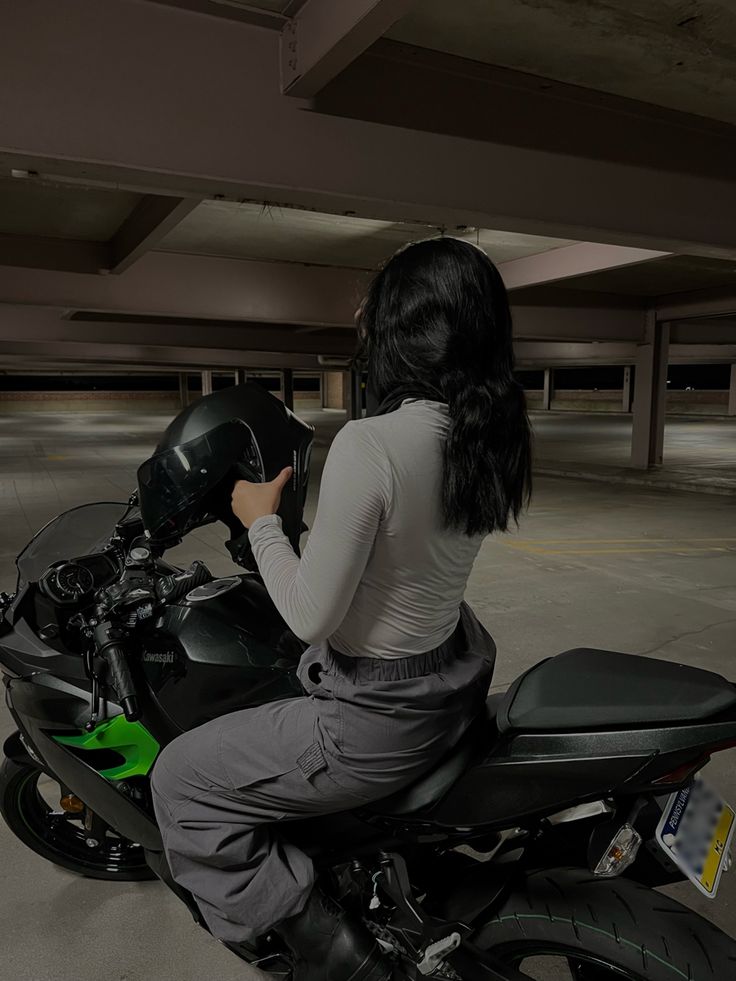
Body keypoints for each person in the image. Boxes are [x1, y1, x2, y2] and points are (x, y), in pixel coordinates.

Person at [150, 236, 533, 981]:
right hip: (445, 685)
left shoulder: (373, 444)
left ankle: (329, 948)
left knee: (180, 781)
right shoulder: (492, 433)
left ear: (408, 330)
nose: (362, 319)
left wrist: (260, 517)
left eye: (375, 309)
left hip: (373, 718)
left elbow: (308, 616)